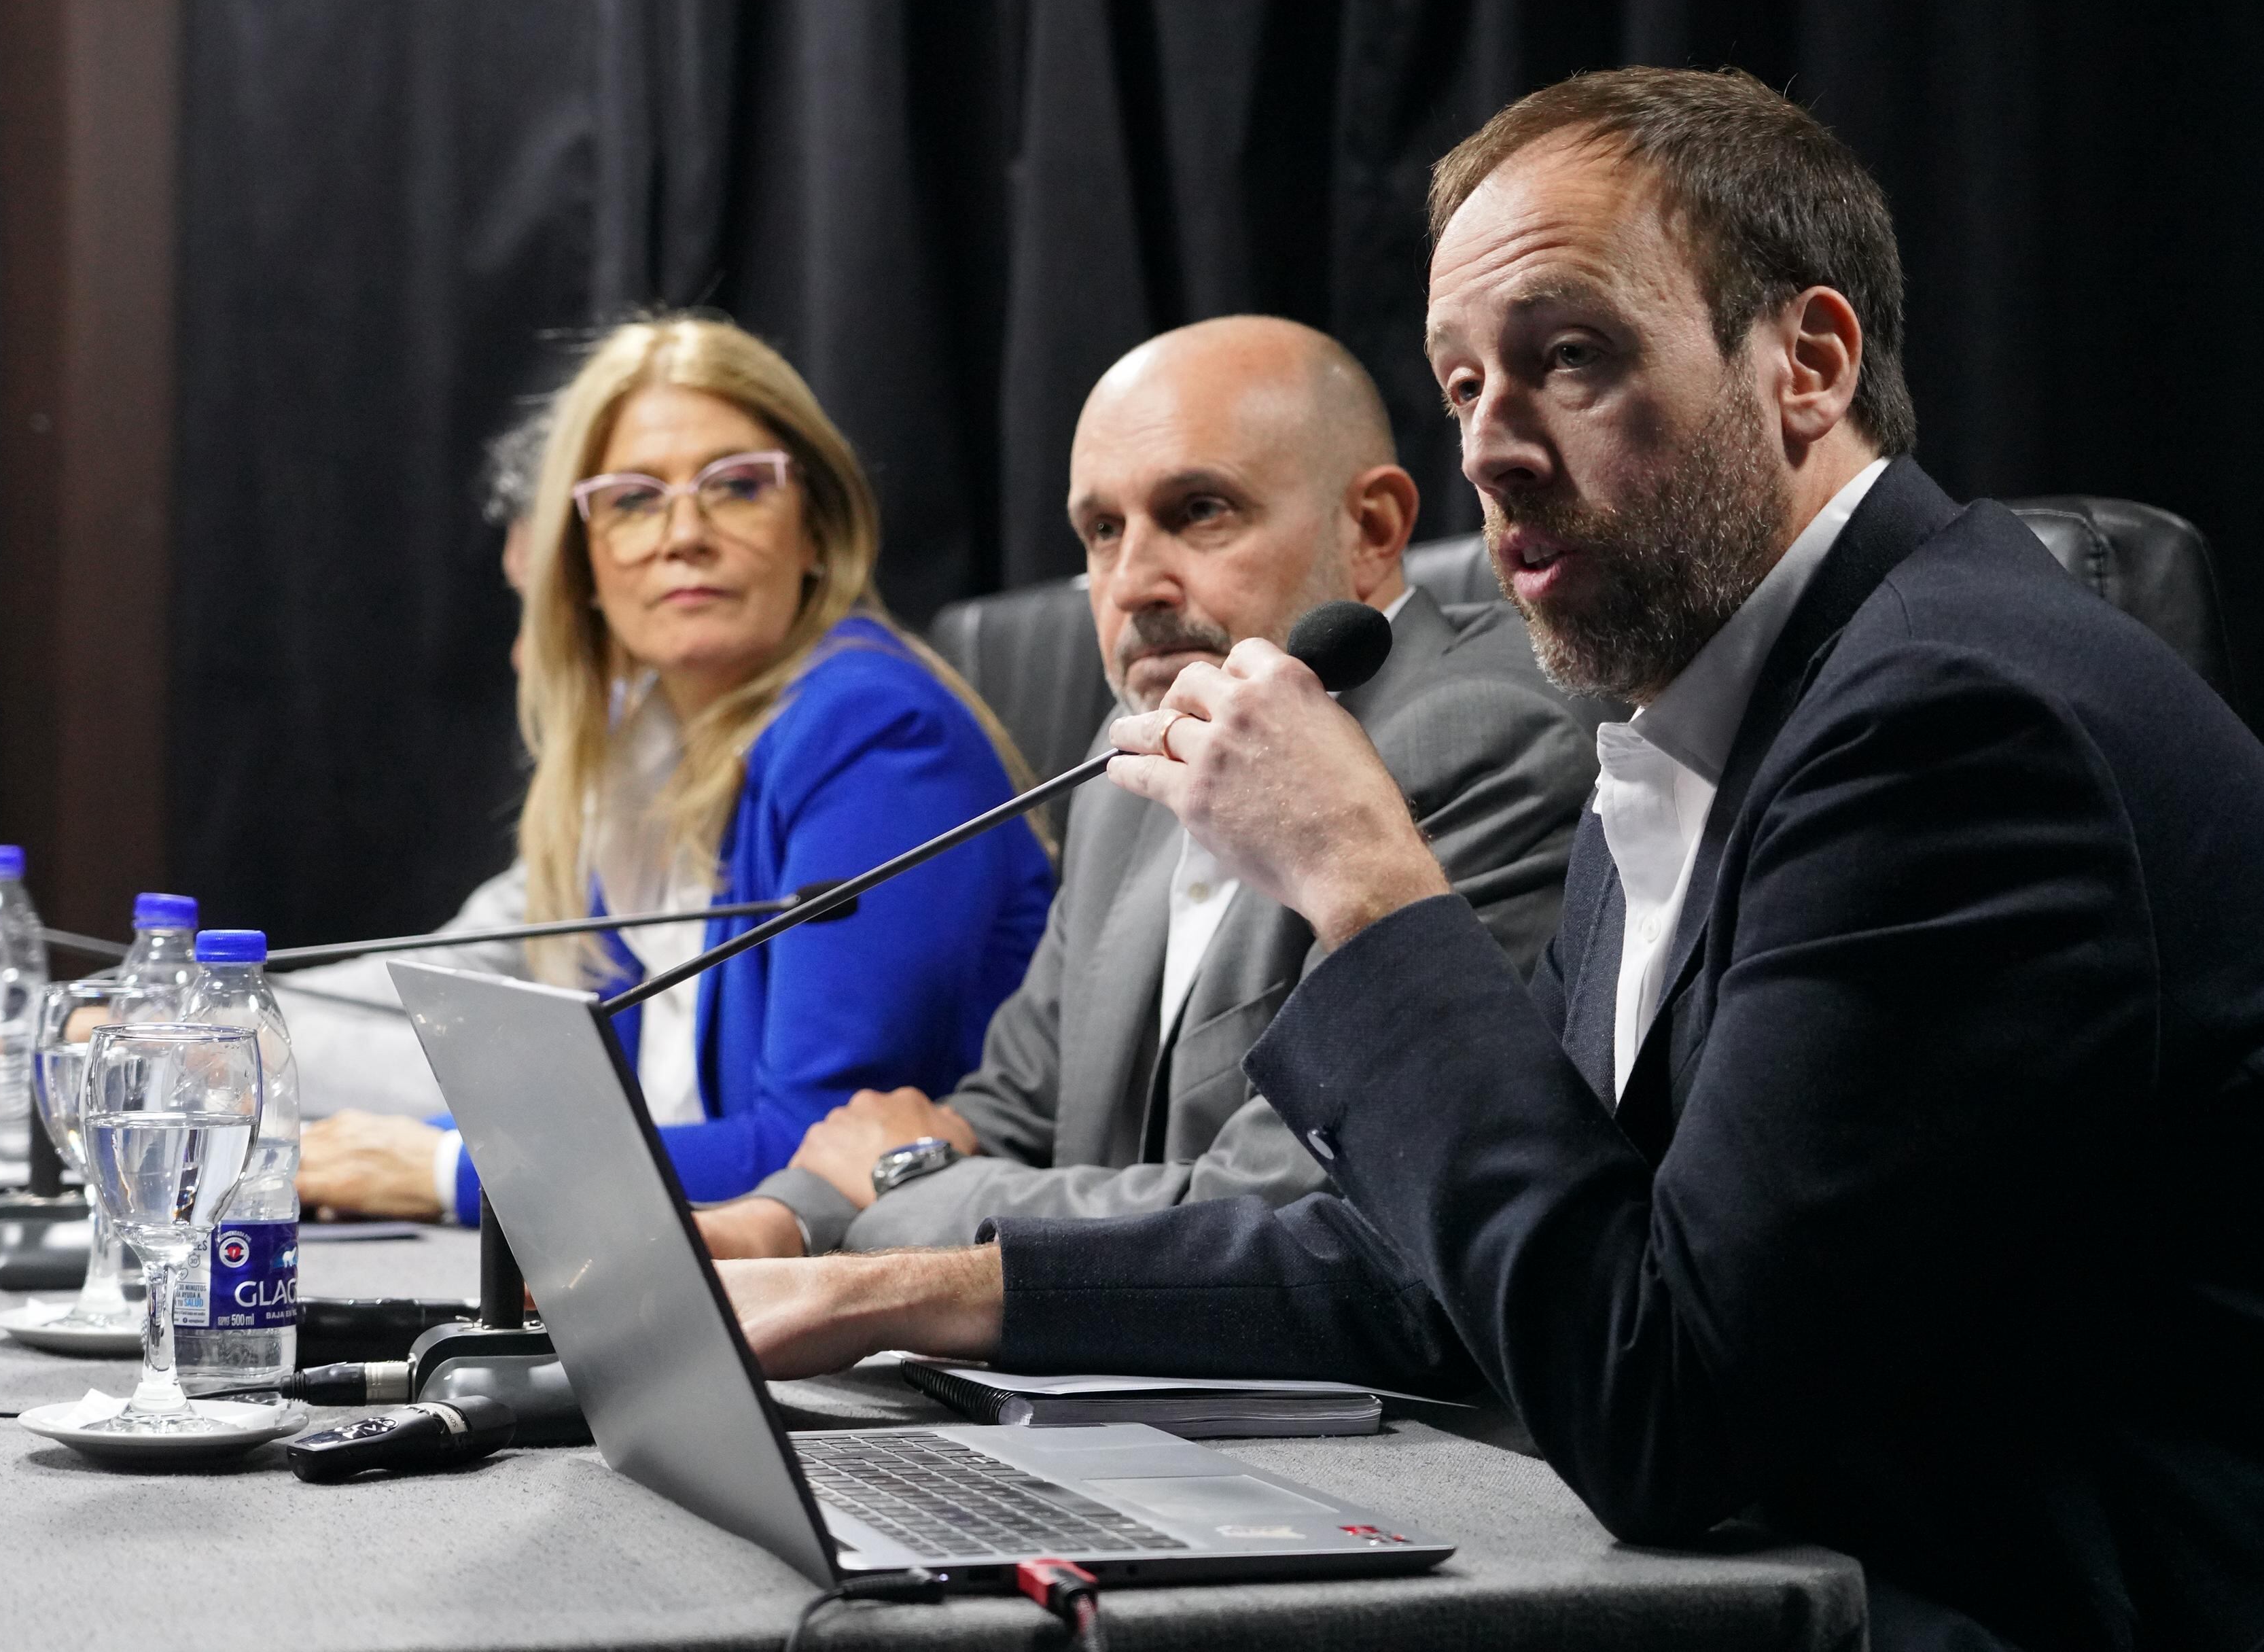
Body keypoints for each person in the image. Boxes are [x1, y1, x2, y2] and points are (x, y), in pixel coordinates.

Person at [715, 69, 2264, 1650]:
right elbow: (1432, 1261)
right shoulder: (1712, 713)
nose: (1490, 449)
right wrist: (887, 1296)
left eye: (1567, 356)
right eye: (1461, 386)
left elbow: (1670, 1414)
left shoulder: (1953, 722)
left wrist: (1366, 883)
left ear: (1806, 362)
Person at [696, 315, 1594, 1259]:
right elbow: (1014, 1104)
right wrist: (780, 1220)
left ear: (1371, 527)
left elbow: (1290, 1204)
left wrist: (903, 1183)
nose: (1131, 584)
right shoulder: (1131, 758)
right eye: (1101, 530)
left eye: (1200, 510)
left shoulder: (1475, 743)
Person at [296, 314, 1055, 1220]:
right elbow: (610, 1103)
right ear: (581, 563)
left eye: (736, 486)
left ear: (816, 530)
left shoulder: (873, 733)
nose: (683, 533)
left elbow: (822, 1151)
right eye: (632, 500)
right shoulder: (638, 757)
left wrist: (444, 1170)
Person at [277, 404, 548, 1121]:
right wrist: (213, 1014)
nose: (522, 654)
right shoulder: (614, 793)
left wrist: (224, 1045)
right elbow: (453, 973)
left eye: (543, 609)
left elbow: (559, 1092)